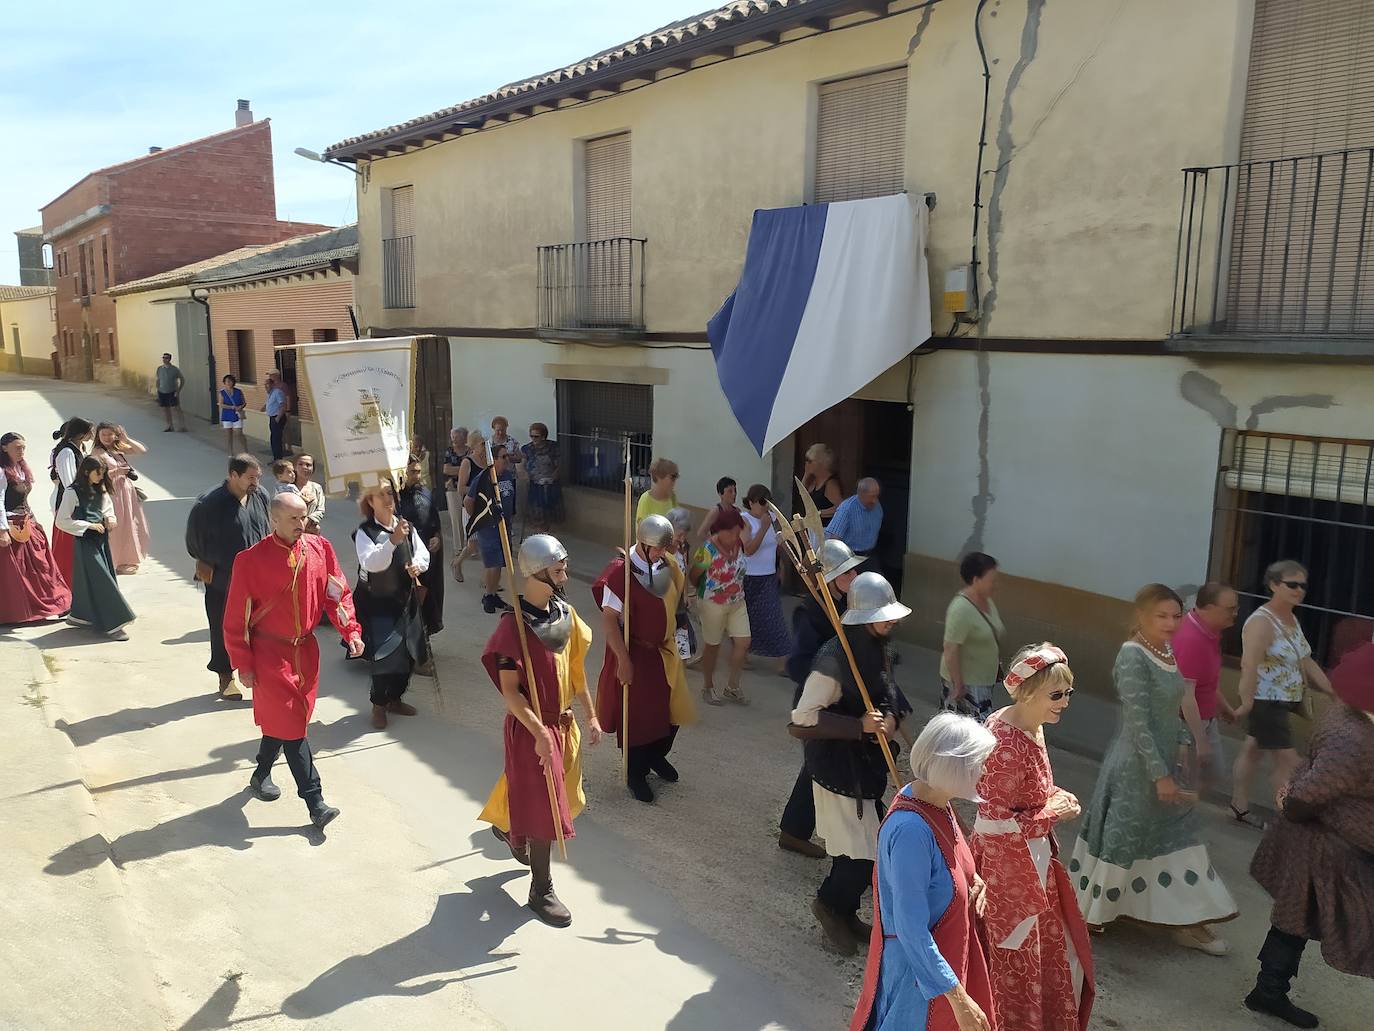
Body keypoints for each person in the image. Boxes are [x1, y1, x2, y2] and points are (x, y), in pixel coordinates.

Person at [1069, 583, 1237, 955]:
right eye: (1161, 615)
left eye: (1176, 615)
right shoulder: (1132, 655)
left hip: (1165, 761)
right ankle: (1096, 913)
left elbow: (1171, 708)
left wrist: (1181, 746)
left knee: (1179, 838)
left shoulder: (1166, 650)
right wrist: (1159, 774)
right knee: (1125, 839)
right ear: (1141, 616)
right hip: (1135, 767)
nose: (1171, 622)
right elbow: (1138, 721)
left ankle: (1188, 920)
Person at [1245, 641, 1374, 1029]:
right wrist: (1290, 800)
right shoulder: (1353, 738)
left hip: (1332, 840)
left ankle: (1268, 991)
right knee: (1295, 917)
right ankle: (1268, 991)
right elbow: (1306, 797)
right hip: (1327, 843)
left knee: (1293, 917)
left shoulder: (1349, 717)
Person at [478, 534, 603, 926]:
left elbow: (576, 673)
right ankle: (540, 889)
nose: (566, 574)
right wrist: (538, 732)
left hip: (563, 728)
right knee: (546, 811)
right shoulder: (510, 631)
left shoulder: (565, 615)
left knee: (558, 800)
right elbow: (512, 694)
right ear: (537, 572)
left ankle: (509, 828)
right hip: (531, 733)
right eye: (559, 568)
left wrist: (592, 714)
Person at [848, 713, 998, 1031]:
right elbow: (912, 930)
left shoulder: (935, 802)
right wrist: (960, 1000)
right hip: (916, 982)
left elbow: (952, 866)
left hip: (938, 970)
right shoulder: (911, 831)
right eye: (979, 763)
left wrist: (975, 881)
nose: (985, 771)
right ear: (952, 767)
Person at [224, 491, 363, 830]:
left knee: (288, 721)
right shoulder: (249, 561)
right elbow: (235, 618)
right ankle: (315, 802)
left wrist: (351, 631)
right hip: (269, 654)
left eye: (304, 517)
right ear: (274, 520)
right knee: (293, 728)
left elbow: (337, 593)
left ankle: (260, 773)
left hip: (306, 653)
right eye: (294, 519)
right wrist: (243, 662)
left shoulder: (320, 549)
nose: (303, 524)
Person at [973, 643, 1095, 1031]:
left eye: (1068, 693)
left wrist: (1053, 798)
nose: (1065, 702)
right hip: (1006, 874)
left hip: (1030, 864)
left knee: (1039, 955)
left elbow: (1030, 794)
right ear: (1027, 692)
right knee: (1014, 958)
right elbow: (994, 823)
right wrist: (1053, 812)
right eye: (1056, 695)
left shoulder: (1031, 725)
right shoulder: (1005, 744)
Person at [791, 571, 905, 956]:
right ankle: (828, 904)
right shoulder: (833, 659)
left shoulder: (878, 647)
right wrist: (856, 725)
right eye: (884, 614)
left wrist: (890, 716)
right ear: (864, 617)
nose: (891, 620)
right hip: (839, 770)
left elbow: (886, 691)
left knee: (862, 852)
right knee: (866, 854)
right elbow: (802, 719)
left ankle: (844, 910)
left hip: (865, 768)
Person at [593, 514, 696, 803]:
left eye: (666, 548)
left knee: (672, 710)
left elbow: (676, 607)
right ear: (643, 544)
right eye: (659, 548)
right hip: (635, 652)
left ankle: (655, 756)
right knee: (637, 717)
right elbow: (609, 621)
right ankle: (634, 772)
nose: (663, 553)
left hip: (664, 651)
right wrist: (623, 661)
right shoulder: (620, 575)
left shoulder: (667, 566)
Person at [1231, 560, 1334, 830]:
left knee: (1253, 750)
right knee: (1290, 762)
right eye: (1292, 584)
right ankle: (1285, 818)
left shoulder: (1290, 619)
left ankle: (1239, 805)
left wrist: (1333, 691)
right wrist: (1247, 702)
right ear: (1274, 585)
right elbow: (1248, 664)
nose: (1299, 590)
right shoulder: (1261, 623)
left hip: (1283, 699)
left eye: (1302, 585)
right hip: (1266, 701)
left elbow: (1306, 660)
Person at [778, 539, 865, 859]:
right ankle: (796, 832)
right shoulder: (811, 611)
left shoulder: (846, 605)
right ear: (829, 578)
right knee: (819, 766)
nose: (855, 575)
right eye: (847, 571)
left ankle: (795, 830)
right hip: (817, 702)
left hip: (842, 701)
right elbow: (798, 664)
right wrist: (829, 674)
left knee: (821, 765)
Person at [185, 454, 272, 699]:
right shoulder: (208, 504)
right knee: (224, 626)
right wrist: (221, 562)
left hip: (258, 577)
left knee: (259, 626)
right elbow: (194, 544)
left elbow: (267, 528)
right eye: (250, 477)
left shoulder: (260, 496)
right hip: (224, 579)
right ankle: (225, 675)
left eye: (258, 477)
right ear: (233, 475)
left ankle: (258, 674)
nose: (256, 482)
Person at [353, 480, 429, 729]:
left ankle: (396, 698)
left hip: (406, 601)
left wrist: (419, 563)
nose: (387, 498)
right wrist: (392, 541)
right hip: (380, 605)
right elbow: (371, 563)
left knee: (408, 654)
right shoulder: (365, 532)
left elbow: (422, 552)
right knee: (385, 657)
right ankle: (379, 703)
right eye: (379, 494)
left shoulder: (405, 526)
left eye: (389, 493)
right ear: (370, 502)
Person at [56, 457, 135, 640]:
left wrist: (110, 518)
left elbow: (107, 509)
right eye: (97, 473)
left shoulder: (101, 489)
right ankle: (114, 623)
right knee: (102, 580)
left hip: (101, 540)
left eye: (102, 473)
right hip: (85, 541)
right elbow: (61, 521)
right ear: (86, 472)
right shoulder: (72, 492)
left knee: (92, 579)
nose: (101, 477)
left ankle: (81, 616)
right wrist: (87, 526)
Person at [1173, 583, 1240, 793]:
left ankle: (1181, 810)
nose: (1235, 614)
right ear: (1209, 608)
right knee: (1188, 782)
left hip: (1206, 718)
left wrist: (1224, 706)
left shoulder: (1208, 632)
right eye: (1230, 609)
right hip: (1188, 723)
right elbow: (1186, 695)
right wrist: (1200, 741)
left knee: (1213, 774)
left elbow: (1206, 680)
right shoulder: (1192, 640)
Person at [0, 432, 72, 624]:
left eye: (23, 447)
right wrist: (2, 530)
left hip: (27, 521)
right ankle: (20, 611)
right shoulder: (1, 471)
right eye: (17, 448)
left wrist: (33, 520)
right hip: (11, 525)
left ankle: (56, 604)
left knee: (41, 566)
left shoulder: (21, 468)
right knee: (18, 572)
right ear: (4, 448)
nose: (21, 451)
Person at [689, 506, 751, 706]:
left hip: (737, 602)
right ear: (719, 530)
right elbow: (694, 575)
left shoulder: (739, 545)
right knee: (712, 646)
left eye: (736, 531)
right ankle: (708, 686)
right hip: (712, 603)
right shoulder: (707, 550)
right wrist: (704, 593)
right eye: (730, 531)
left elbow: (748, 528)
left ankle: (732, 686)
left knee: (743, 642)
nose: (734, 536)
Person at [940, 552, 1005, 723]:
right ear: (976, 580)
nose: (995, 585)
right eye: (992, 580)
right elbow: (951, 648)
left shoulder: (987, 601)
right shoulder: (960, 609)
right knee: (971, 732)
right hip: (968, 684)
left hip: (983, 680)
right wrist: (958, 684)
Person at [741, 484, 791, 673]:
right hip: (748, 578)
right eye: (762, 502)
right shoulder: (745, 521)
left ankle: (783, 661)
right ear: (751, 502)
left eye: (768, 503)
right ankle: (743, 653)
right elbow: (748, 550)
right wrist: (762, 528)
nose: (765, 507)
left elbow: (776, 544)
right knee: (748, 619)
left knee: (774, 618)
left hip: (768, 576)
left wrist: (783, 566)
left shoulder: (771, 519)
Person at [91, 423, 151, 575]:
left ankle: (127, 559)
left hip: (126, 490)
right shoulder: (97, 452)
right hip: (111, 491)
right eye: (103, 434)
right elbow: (96, 475)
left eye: (110, 434)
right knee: (115, 525)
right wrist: (117, 471)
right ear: (98, 435)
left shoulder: (117, 448)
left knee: (129, 523)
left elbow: (142, 450)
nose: (106, 437)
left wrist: (126, 438)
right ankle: (113, 560)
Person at [398, 457, 445, 641]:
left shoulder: (426, 493)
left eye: (418, 471)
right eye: (412, 472)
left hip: (426, 556)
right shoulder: (395, 496)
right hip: (405, 554)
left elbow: (434, 521)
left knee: (426, 596)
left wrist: (437, 538)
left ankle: (422, 636)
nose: (417, 476)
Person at [467, 443, 516, 614]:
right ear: (493, 460)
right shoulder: (483, 478)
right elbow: (469, 501)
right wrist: (480, 519)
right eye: (503, 457)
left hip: (505, 525)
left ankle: (494, 593)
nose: (506, 460)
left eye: (507, 456)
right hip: (489, 528)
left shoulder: (508, 476)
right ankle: (488, 595)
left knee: (501, 563)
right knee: (492, 564)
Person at [49, 417, 93, 587]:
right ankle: (66, 584)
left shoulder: (78, 448)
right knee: (67, 546)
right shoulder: (66, 452)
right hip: (70, 505)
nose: (91, 434)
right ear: (81, 433)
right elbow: (69, 482)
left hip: (78, 501)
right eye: (89, 431)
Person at [450, 430, 489, 583]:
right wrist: (478, 490)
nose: (486, 447)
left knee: (487, 542)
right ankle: (457, 563)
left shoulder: (488, 461)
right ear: (474, 445)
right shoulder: (468, 462)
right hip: (470, 506)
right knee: (472, 545)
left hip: (486, 507)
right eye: (482, 444)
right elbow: (461, 488)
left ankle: (488, 579)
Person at [826, 477, 883, 563]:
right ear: (860, 494)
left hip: (870, 555)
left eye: (876, 496)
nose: (874, 500)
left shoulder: (876, 505)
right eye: (871, 496)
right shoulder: (847, 508)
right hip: (850, 558)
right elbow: (834, 539)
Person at [522, 422, 562, 532]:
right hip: (534, 483)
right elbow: (523, 464)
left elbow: (559, 465)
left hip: (549, 483)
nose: (533, 439)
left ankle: (547, 532)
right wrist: (525, 474)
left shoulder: (553, 447)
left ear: (543, 436)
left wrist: (553, 477)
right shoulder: (527, 448)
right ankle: (538, 531)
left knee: (549, 511)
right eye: (531, 436)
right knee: (536, 510)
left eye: (536, 436)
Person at [802, 443, 844, 525]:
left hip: (826, 528)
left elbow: (841, 507)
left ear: (820, 463)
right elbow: (803, 494)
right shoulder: (814, 481)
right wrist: (806, 474)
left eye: (810, 461)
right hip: (814, 527)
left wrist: (819, 513)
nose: (807, 464)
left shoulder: (830, 484)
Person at [442, 426, 469, 547]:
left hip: (468, 488)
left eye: (457, 437)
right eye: (452, 437)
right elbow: (446, 469)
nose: (454, 440)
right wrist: (464, 469)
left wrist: (457, 470)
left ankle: (470, 546)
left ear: (464, 438)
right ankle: (459, 548)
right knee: (456, 520)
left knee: (468, 518)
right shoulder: (449, 451)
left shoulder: (470, 451)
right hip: (452, 488)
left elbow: (473, 469)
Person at [635, 457, 679, 523]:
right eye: (673, 477)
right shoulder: (646, 499)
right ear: (659, 477)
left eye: (676, 476)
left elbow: (677, 523)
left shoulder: (672, 497)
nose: (675, 481)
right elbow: (642, 530)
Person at [293, 454, 325, 534]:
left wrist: (307, 521)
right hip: (291, 531)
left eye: (308, 465)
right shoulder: (287, 487)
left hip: (311, 530)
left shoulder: (317, 488)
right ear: (294, 467)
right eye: (300, 464)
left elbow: (320, 509)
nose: (305, 467)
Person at [155, 352, 187, 432]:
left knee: (176, 408)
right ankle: (169, 425)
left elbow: (182, 379)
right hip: (162, 391)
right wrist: (158, 389)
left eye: (166, 358)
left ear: (169, 359)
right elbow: (158, 379)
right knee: (166, 409)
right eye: (163, 358)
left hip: (172, 391)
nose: (164, 359)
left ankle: (182, 426)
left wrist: (178, 390)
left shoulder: (174, 369)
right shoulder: (159, 369)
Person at [264, 372, 290, 461]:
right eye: (265, 385)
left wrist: (278, 418)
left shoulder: (277, 392)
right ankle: (275, 458)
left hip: (277, 417)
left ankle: (278, 459)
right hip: (272, 417)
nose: (266, 387)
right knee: (273, 439)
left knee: (276, 439)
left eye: (267, 384)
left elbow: (283, 405)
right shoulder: (269, 393)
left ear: (272, 384)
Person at [219, 374, 247, 455]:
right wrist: (231, 407)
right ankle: (230, 452)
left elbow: (244, 402)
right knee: (228, 435)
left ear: (233, 382)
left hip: (237, 414)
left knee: (239, 433)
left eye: (230, 381)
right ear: (224, 383)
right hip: (227, 415)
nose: (228, 383)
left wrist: (240, 407)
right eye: (227, 381)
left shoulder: (238, 391)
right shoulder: (222, 393)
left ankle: (245, 450)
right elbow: (221, 404)